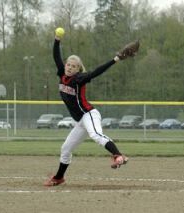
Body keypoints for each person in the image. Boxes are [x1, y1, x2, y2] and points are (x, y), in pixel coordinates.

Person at [44, 29, 138, 187]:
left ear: (78, 69)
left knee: (95, 134)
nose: (69, 67)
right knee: (66, 148)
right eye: (68, 64)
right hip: (81, 121)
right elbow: (56, 57)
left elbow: (96, 72)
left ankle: (117, 155)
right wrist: (56, 40)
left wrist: (115, 59)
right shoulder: (62, 74)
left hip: (89, 115)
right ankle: (59, 177)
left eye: (74, 66)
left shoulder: (79, 78)